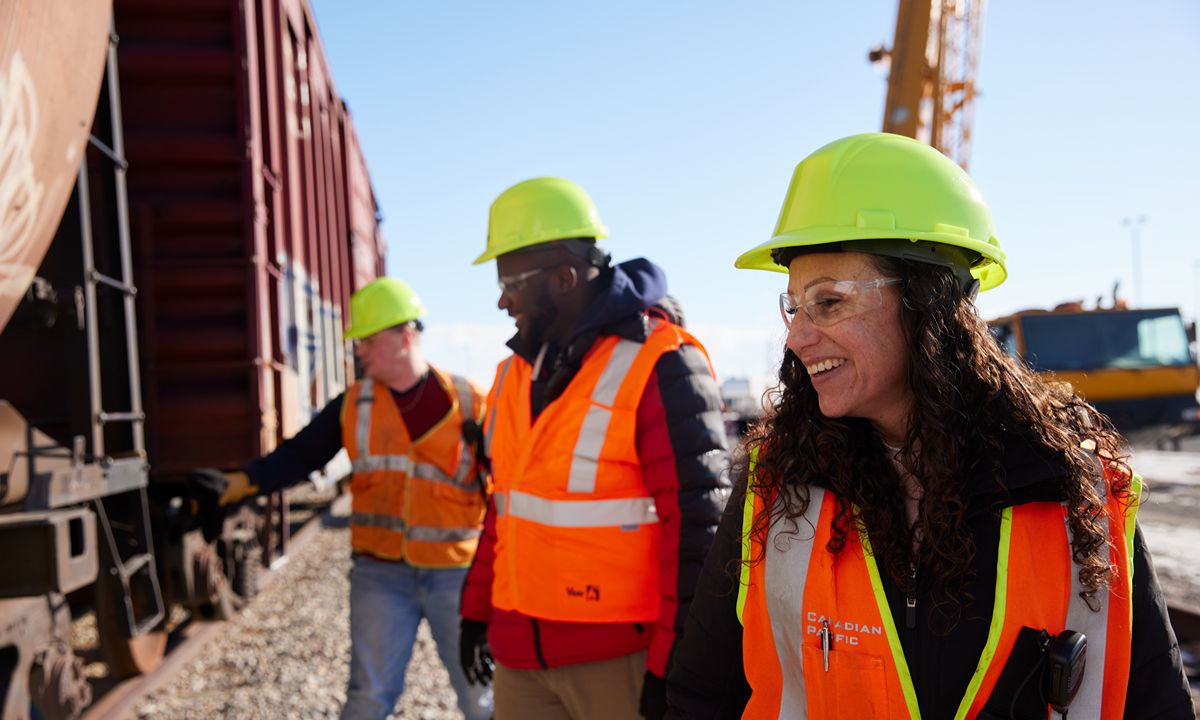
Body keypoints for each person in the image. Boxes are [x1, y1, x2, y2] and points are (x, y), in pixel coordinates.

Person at [665, 133, 1196, 719]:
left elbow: (1156, 703)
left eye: (829, 301)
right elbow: (703, 696)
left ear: (928, 301)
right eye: (794, 305)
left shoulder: (1078, 492)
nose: (796, 336)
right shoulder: (775, 484)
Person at [458, 177, 731, 720]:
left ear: (563, 278)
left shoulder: (661, 362)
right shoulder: (512, 375)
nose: (501, 299)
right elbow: (505, 508)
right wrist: (476, 613)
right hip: (521, 659)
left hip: (619, 661)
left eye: (510, 281)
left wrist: (675, 664)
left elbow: (700, 531)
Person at [191, 277, 493, 720]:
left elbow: (503, 488)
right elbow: (299, 456)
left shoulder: (471, 402)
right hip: (381, 575)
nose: (359, 351)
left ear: (405, 337)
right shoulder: (355, 404)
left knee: (480, 695)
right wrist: (243, 482)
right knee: (368, 698)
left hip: (455, 574)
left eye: (368, 340)